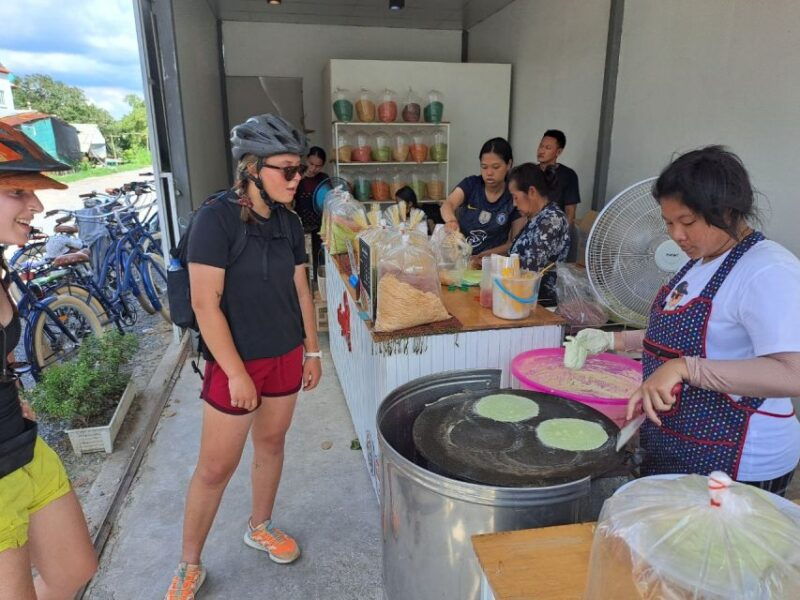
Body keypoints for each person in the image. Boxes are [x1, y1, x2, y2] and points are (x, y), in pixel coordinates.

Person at [567, 146, 800, 496]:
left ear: (727, 210)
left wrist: (685, 369)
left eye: (687, 222)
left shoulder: (767, 270)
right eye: (668, 222)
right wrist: (613, 342)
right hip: (679, 445)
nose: (676, 235)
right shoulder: (701, 261)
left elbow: (792, 372)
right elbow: (686, 335)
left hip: (736, 461)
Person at [164, 114, 322, 599]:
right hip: (236, 363)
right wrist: (234, 372)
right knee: (215, 468)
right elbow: (203, 303)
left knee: (271, 444)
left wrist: (312, 350)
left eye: (301, 171)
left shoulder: (290, 222)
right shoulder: (215, 219)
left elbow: (302, 289)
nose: (298, 180)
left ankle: (260, 525)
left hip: (284, 355)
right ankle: (189, 563)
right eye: (287, 171)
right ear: (251, 168)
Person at [0, 123, 97, 599]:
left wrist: (14, 392)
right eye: (18, 192)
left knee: (74, 569)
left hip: (24, 447)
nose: (36, 205)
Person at [441, 137, 526, 266]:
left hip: (491, 264)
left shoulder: (512, 196)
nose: (489, 173)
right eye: (484, 167)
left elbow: (514, 243)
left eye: (496, 167)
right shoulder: (471, 184)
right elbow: (448, 204)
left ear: (509, 164)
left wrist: (483, 257)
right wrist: (451, 221)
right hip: (459, 260)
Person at [507, 163, 571, 304]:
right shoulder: (538, 217)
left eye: (515, 197)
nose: (514, 204)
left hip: (540, 302)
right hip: (521, 297)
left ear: (531, 192)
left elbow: (530, 270)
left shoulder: (551, 221)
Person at [293, 146, 328, 276]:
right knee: (302, 261)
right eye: (311, 163)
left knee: (320, 259)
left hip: (320, 226)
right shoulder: (296, 176)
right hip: (301, 225)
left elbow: (329, 201)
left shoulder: (324, 178)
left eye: (318, 166)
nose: (313, 169)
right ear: (306, 159)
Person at [537, 130, 580, 224]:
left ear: (558, 152)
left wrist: (563, 234)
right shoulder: (530, 172)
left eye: (547, 148)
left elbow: (570, 211)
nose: (541, 151)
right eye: (541, 146)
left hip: (555, 228)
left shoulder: (568, 175)